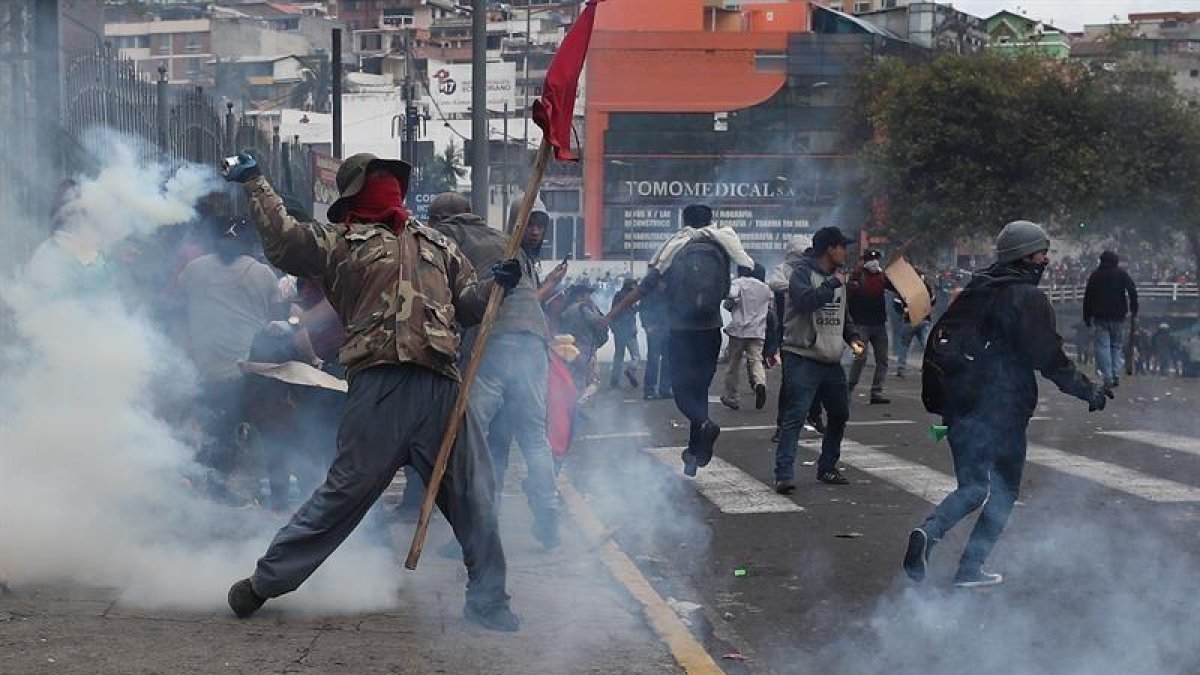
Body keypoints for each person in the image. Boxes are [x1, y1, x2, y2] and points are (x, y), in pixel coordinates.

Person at [221, 153, 522, 631]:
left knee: (474, 493)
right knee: (344, 495)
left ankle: (488, 601)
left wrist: (496, 286)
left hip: (441, 387)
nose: (387, 185)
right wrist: (257, 182)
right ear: (357, 190)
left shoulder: (437, 244)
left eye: (390, 179)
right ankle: (265, 582)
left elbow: (468, 306)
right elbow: (284, 241)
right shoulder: (339, 243)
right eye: (377, 179)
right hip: (379, 384)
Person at [903, 220, 1111, 588]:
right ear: (1024, 256)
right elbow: (1050, 359)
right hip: (1002, 410)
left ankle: (928, 531)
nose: (1046, 260)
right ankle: (969, 570)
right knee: (1003, 492)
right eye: (1041, 253)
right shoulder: (1027, 298)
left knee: (971, 487)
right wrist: (1089, 391)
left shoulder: (977, 288)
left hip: (960, 405)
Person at [428, 192, 568, 550]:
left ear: (443, 217)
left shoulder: (444, 239)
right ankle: (547, 508)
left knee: (472, 433)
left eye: (432, 217)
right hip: (532, 339)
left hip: (495, 338)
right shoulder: (506, 241)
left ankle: (476, 528)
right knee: (532, 435)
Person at [606, 203, 753, 476]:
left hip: (681, 331)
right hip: (710, 330)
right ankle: (694, 455)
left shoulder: (675, 248)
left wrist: (611, 314)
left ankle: (704, 426)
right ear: (711, 221)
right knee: (699, 392)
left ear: (684, 222)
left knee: (682, 393)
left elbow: (644, 288)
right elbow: (734, 284)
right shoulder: (723, 248)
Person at [176, 216, 286, 500]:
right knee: (268, 433)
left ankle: (214, 492)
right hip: (248, 370)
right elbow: (276, 320)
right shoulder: (262, 274)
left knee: (217, 433)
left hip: (206, 370)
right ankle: (278, 498)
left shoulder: (193, 269)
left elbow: (176, 308)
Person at [773, 226, 863, 493]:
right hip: (802, 356)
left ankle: (827, 467)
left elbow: (842, 314)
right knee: (795, 416)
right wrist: (833, 283)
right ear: (830, 249)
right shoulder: (801, 273)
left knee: (839, 413)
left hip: (830, 359)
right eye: (842, 246)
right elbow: (805, 301)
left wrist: (853, 337)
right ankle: (784, 474)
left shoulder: (839, 278)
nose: (845, 252)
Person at [766, 236, 827, 442]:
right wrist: (800, 289)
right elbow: (775, 284)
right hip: (789, 333)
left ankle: (815, 415)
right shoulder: (782, 270)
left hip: (816, 331)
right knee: (789, 383)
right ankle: (781, 426)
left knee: (819, 380)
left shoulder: (816, 270)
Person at [720, 264, 772, 411]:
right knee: (756, 360)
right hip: (758, 331)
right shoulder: (765, 288)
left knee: (733, 365)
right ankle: (759, 383)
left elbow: (729, 299)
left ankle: (732, 397)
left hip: (739, 330)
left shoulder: (738, 283)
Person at [1083, 250, 1138, 388]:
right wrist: (1133, 307)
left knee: (1103, 346)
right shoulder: (1121, 274)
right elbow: (1132, 289)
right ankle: (1115, 374)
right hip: (1118, 316)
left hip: (1100, 316)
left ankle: (1108, 376)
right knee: (1116, 346)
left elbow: (1088, 297)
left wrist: (1087, 316)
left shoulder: (1095, 275)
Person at [846, 249, 891, 404]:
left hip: (879, 325)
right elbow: (848, 290)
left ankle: (876, 392)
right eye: (870, 259)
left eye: (876, 259)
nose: (874, 262)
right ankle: (848, 390)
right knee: (860, 357)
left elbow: (896, 286)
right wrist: (856, 272)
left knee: (883, 359)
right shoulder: (857, 276)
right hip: (860, 326)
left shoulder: (882, 277)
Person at [893, 267, 935, 379]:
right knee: (927, 345)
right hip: (923, 320)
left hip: (910, 320)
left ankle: (901, 369)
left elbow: (896, 303)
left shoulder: (905, 286)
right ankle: (928, 367)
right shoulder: (926, 286)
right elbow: (933, 300)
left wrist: (903, 311)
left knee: (904, 345)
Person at [639, 284, 672, 400]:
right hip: (655, 330)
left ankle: (665, 389)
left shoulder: (670, 292)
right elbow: (643, 310)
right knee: (653, 360)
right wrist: (647, 326)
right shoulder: (649, 294)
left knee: (668, 360)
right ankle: (649, 390)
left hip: (667, 329)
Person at [608, 277, 641, 389]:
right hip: (628, 329)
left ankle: (614, 381)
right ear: (631, 286)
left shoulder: (617, 296)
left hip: (618, 329)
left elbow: (614, 311)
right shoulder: (630, 297)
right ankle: (630, 370)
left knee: (618, 356)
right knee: (636, 356)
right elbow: (631, 311)